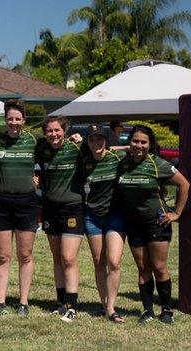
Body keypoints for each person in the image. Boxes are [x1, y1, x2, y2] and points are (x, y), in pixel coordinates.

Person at [116, 125, 189, 324]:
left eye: (143, 142)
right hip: (134, 224)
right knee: (143, 267)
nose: (139, 145)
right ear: (129, 142)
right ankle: (147, 311)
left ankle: (166, 310)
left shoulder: (158, 164)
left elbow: (184, 184)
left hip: (157, 222)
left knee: (159, 266)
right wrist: (123, 149)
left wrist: (176, 213)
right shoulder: (124, 164)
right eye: (135, 141)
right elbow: (106, 151)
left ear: (150, 144)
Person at [0, 100, 39, 316]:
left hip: (27, 202)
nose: (14, 122)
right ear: (5, 120)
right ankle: (1, 302)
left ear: (24, 120)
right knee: (3, 255)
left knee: (25, 254)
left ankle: (23, 302)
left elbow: (53, 152)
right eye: (10, 118)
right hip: (0, 201)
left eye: (18, 119)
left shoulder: (34, 140)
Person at [35, 115, 85, 322]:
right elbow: (38, 171)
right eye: (49, 131)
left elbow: (101, 151)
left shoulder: (76, 148)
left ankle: (72, 306)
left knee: (69, 258)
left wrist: (82, 140)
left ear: (64, 130)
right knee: (57, 258)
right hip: (50, 208)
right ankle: (61, 303)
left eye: (57, 130)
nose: (53, 134)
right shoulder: (42, 150)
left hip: (73, 208)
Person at [81, 124, 126, 323]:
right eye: (92, 139)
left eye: (100, 139)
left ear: (106, 141)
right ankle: (104, 305)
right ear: (87, 142)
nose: (96, 143)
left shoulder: (117, 159)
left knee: (114, 262)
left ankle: (111, 308)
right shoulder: (85, 163)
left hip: (115, 216)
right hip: (92, 217)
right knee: (99, 263)